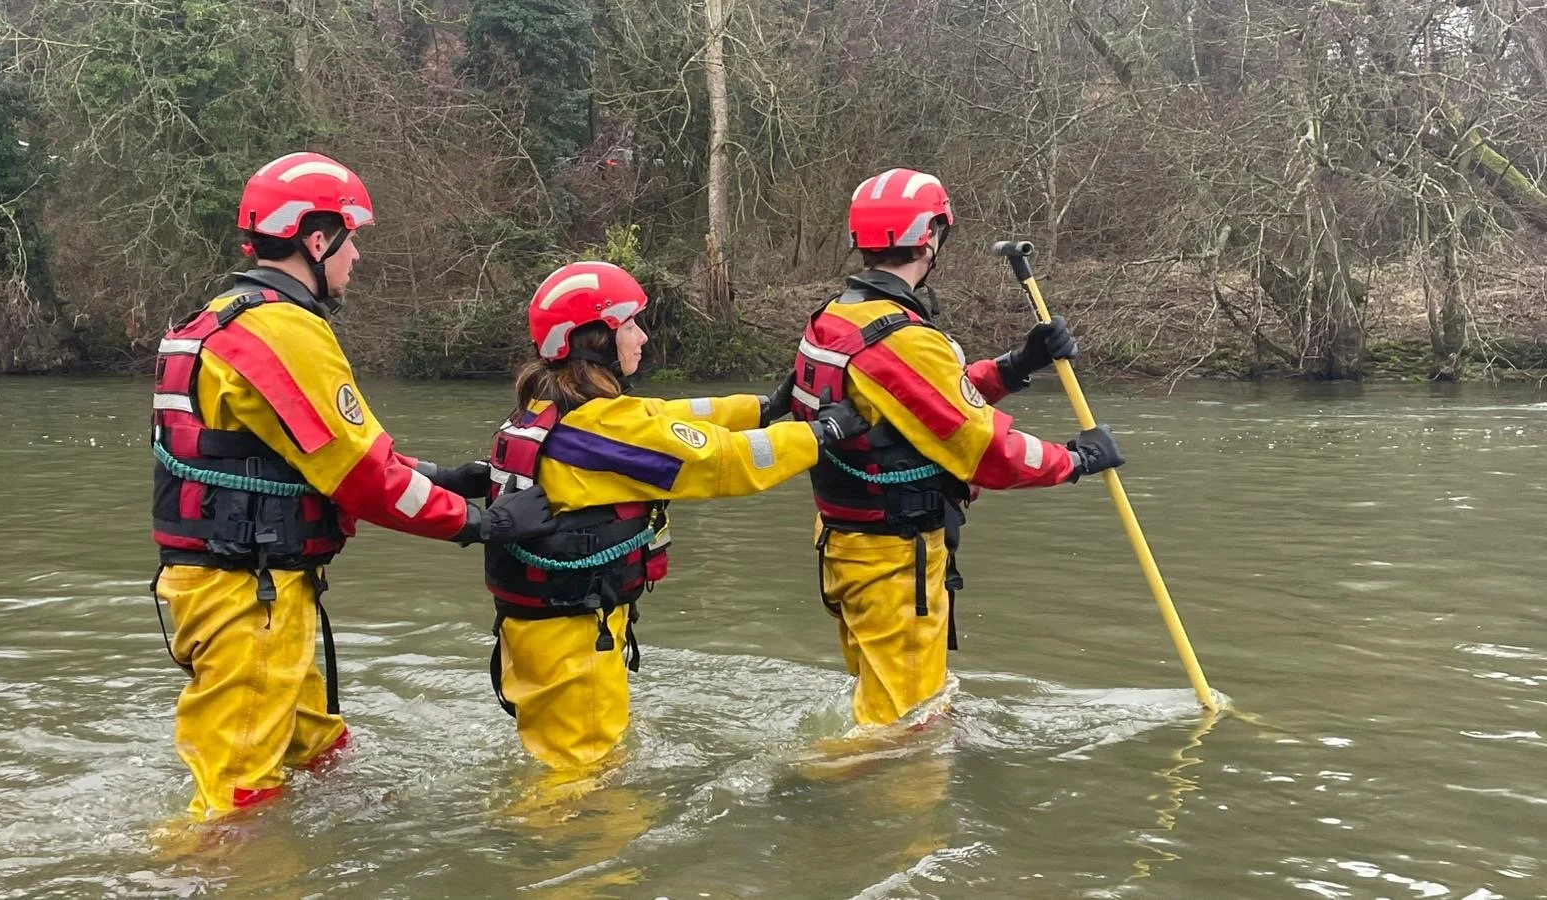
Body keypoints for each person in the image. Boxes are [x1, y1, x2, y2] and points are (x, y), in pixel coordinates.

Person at [148, 151, 559, 821]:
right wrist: (481, 523)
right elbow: (364, 479)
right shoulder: (281, 330)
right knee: (236, 800)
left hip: (251, 587)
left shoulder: (221, 319)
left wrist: (442, 476)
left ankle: (351, 837)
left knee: (319, 748)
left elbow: (310, 457)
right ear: (317, 239)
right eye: (351, 238)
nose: (356, 258)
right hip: (249, 599)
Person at [483, 259, 870, 770]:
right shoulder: (607, 428)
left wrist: (762, 407)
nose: (642, 338)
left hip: (545, 630)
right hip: (571, 637)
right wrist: (822, 435)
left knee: (566, 762)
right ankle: (571, 845)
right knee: (580, 781)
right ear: (594, 339)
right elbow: (722, 463)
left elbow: (666, 417)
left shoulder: (552, 408)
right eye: (630, 326)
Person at [780, 166, 1125, 729]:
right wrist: (1077, 460)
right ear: (931, 236)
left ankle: (842, 792)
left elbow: (919, 403)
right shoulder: (904, 339)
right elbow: (989, 452)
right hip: (894, 562)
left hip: (847, 548)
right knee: (907, 733)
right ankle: (809, 792)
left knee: (884, 711)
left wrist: (1017, 366)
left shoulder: (835, 318)